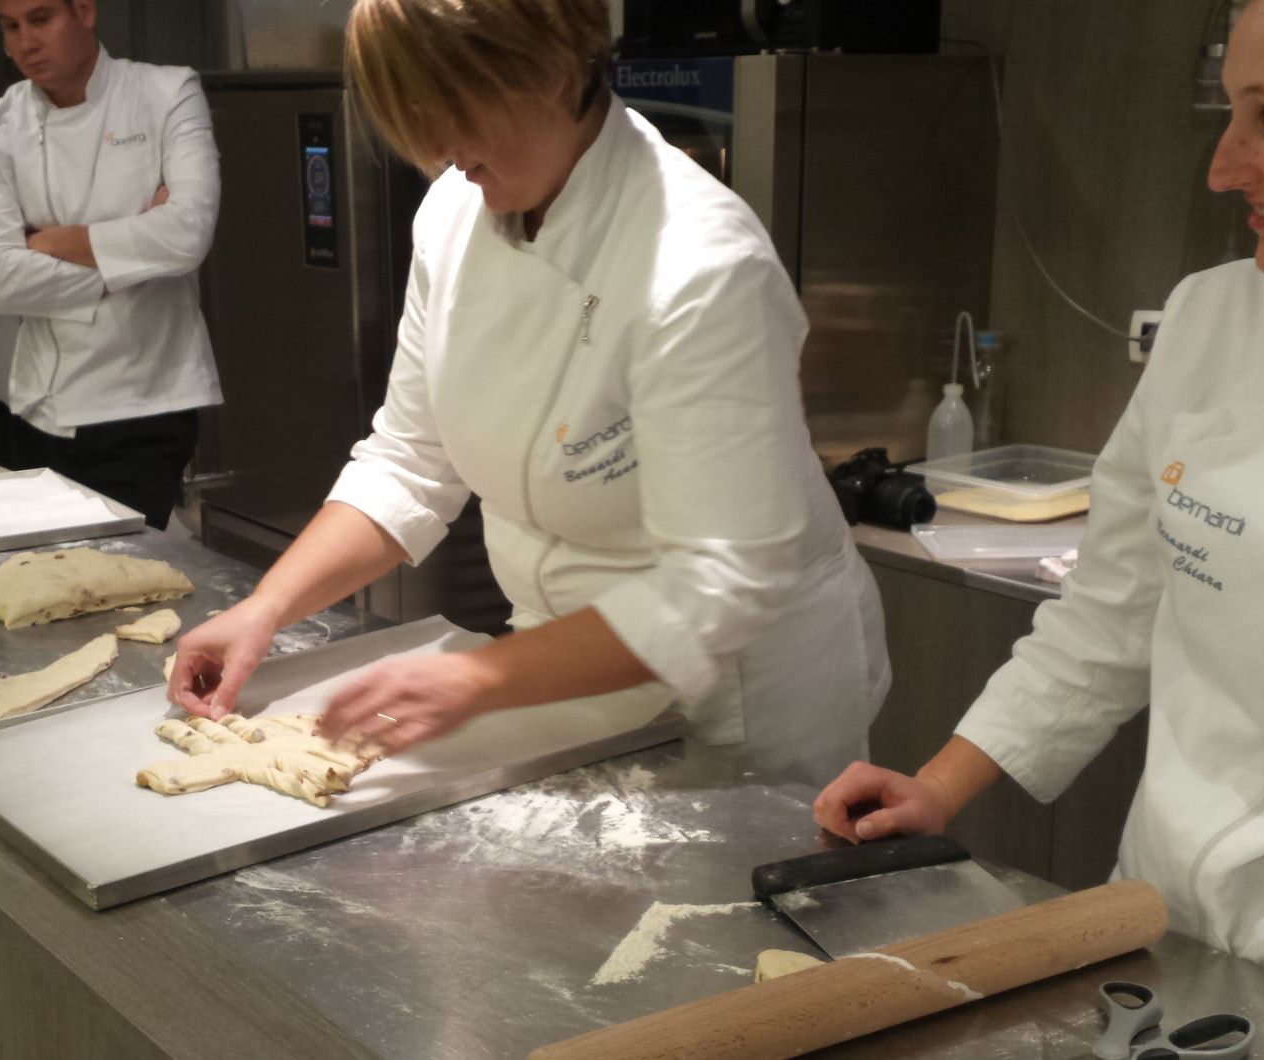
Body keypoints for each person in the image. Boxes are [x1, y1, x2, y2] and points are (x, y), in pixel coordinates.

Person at [810, 0, 1264, 1054]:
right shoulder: (1212, 317)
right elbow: (1110, 612)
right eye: (1229, 111)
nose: (1222, 167)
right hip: (1159, 930)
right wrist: (937, 786)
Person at [166, 0, 890, 784]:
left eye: (447, 104)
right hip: (553, 663)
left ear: (547, 68)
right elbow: (410, 459)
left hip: (731, 693)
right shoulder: (454, 211)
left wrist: (476, 679)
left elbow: (719, 585)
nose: (434, 147)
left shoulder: (701, 266)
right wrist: (265, 609)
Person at [0, 0, 221, 529]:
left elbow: (188, 234)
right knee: (58, 566)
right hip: (42, 405)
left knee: (125, 566)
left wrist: (48, 242)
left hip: (148, 399)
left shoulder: (167, 92)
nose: (25, 42)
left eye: (40, 19)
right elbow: (1, 282)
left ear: (83, 11)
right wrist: (136, 255)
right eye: (10, 26)